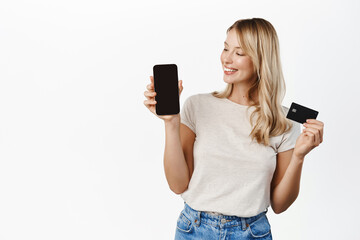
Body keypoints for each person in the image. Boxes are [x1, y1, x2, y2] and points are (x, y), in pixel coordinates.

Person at [143, 17, 324, 240]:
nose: (227, 59)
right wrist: (171, 123)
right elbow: (178, 184)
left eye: (239, 53)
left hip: (251, 233)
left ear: (261, 59)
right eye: (226, 48)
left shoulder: (282, 121)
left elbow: (279, 204)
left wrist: (298, 156)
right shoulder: (197, 106)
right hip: (194, 230)